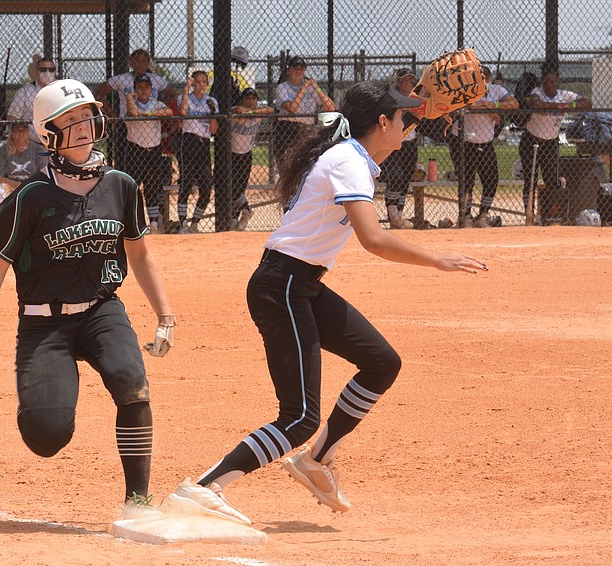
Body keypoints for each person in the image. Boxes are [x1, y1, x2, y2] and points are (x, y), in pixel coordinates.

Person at [168, 80, 488, 524]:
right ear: (380, 122)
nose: (407, 126)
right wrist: (438, 259)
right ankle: (203, 489)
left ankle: (316, 460)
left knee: (381, 362)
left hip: (301, 285)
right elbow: (373, 240)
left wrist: (420, 111)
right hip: (281, 286)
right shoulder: (348, 163)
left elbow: (392, 136)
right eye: (400, 119)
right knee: (299, 417)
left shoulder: (354, 156)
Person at [0, 79, 175, 509]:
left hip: (100, 308)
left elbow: (140, 253)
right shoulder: (30, 197)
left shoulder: (122, 184)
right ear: (48, 132)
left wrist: (165, 316)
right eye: (69, 119)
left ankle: (139, 500)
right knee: (47, 436)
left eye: (86, 115)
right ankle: (40, 394)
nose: (82, 125)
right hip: (45, 321)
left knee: (132, 383)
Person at [518, 64, 591, 222]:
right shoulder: (537, 92)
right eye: (546, 82)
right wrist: (558, 106)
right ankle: (528, 213)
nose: (549, 85)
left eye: (552, 82)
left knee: (551, 179)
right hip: (531, 139)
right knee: (530, 178)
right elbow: (537, 105)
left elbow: (587, 102)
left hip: (550, 142)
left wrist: (568, 105)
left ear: (557, 82)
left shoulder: (564, 94)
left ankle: (551, 214)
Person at [450, 65, 519, 227]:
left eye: (485, 78)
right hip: (462, 141)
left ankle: (483, 215)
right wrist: (476, 106)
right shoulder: (465, 88)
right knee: (466, 181)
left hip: (485, 142)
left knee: (491, 179)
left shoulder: (496, 90)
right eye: (479, 78)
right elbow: (455, 106)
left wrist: (491, 106)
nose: (483, 82)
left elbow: (513, 104)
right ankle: (465, 216)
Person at [95, 49, 168, 172]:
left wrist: (158, 108)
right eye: (137, 61)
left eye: (144, 61)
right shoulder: (121, 79)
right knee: (128, 166)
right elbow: (99, 92)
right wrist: (114, 116)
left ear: (148, 63)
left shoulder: (155, 80)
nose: (140, 64)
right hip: (128, 123)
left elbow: (172, 93)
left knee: (152, 168)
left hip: (150, 125)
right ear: (131, 62)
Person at [125, 74, 173, 233]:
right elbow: (132, 114)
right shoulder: (131, 104)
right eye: (140, 87)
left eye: (146, 87)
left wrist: (150, 115)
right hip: (135, 149)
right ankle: (134, 222)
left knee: (152, 186)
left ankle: (153, 223)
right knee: (134, 186)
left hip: (153, 149)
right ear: (135, 89)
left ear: (151, 89)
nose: (144, 90)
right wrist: (129, 98)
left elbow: (169, 111)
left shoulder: (156, 104)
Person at [273, 55, 335, 167]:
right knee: (286, 167)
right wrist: (303, 88)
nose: (299, 71)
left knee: (306, 166)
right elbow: (292, 109)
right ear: (288, 71)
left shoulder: (311, 88)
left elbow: (330, 108)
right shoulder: (282, 88)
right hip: (287, 130)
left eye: (301, 68)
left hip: (307, 130)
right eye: (295, 68)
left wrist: (317, 88)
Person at [176, 70, 218, 233]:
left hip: (204, 144)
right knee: (186, 183)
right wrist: (186, 90)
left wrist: (214, 113)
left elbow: (214, 130)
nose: (201, 85)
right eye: (198, 82)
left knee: (207, 186)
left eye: (204, 82)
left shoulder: (211, 101)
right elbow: (183, 113)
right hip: (188, 142)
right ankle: (182, 224)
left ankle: (195, 223)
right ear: (193, 84)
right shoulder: (185, 98)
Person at [229, 87, 275, 230]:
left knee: (239, 189)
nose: (250, 101)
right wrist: (246, 112)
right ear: (242, 99)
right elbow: (237, 111)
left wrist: (253, 112)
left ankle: (234, 220)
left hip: (246, 155)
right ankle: (247, 211)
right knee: (232, 188)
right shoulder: (236, 110)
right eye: (248, 98)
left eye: (253, 98)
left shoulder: (257, 114)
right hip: (232, 154)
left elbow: (271, 110)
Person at [379, 68, 419, 229]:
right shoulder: (392, 97)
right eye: (404, 80)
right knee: (395, 176)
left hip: (410, 142)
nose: (407, 83)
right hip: (393, 142)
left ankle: (399, 214)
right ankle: (392, 212)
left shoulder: (416, 97)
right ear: (399, 81)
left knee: (407, 175)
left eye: (410, 80)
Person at [0, 122, 48, 218]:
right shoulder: (4, 150)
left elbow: (45, 174)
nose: (20, 134)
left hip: (32, 187)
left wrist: (27, 186)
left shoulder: (38, 150)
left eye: (22, 131)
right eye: (16, 131)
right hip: (10, 187)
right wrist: (16, 185)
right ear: (11, 133)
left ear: (28, 132)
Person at [7, 56, 57, 142]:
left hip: (57, 142)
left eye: (51, 70)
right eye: (43, 70)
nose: (47, 73)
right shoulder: (25, 91)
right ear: (37, 72)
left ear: (55, 72)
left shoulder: (59, 90)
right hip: (32, 143)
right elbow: (12, 117)